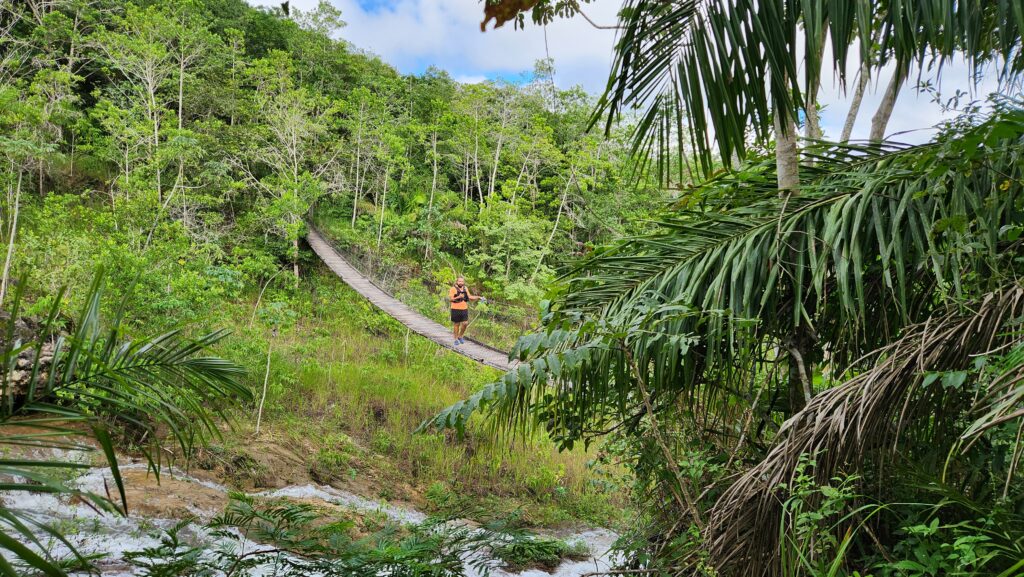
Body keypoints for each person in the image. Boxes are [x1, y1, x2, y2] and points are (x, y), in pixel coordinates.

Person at [448, 276, 483, 345]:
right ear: (457, 282)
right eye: (459, 281)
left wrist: (479, 297)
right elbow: (451, 299)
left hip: (464, 308)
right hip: (455, 308)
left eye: (462, 281)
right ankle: (455, 339)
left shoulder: (465, 288)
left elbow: (470, 297)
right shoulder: (453, 289)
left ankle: (460, 336)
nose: (461, 282)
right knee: (457, 324)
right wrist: (459, 297)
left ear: (464, 282)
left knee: (465, 323)